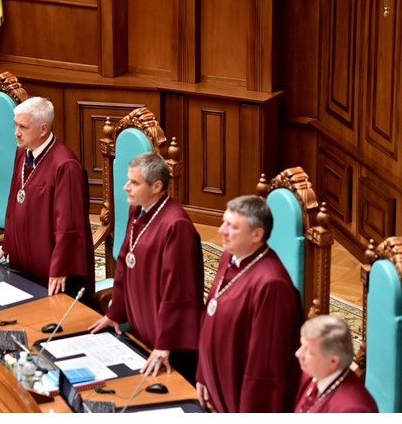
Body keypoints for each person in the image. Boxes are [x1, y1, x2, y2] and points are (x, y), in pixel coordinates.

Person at [88, 152, 204, 384]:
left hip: (170, 346)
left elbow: (178, 291)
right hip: (144, 328)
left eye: (134, 182)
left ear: (157, 186)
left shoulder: (176, 225)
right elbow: (124, 262)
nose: (125, 187)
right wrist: (114, 313)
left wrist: (166, 343)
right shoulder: (138, 209)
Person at [196, 195, 303, 412]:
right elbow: (211, 311)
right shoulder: (230, 256)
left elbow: (265, 367)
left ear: (257, 234)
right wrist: (202, 373)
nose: (221, 230)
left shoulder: (272, 285)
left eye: (232, 226)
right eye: (224, 222)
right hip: (218, 382)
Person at [0, 97, 95, 301]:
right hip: (25, 262)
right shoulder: (22, 152)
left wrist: (61, 266)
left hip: (55, 273)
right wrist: (9, 243)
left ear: (43, 129)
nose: (16, 133)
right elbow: (14, 199)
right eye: (15, 125)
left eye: (23, 127)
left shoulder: (65, 165)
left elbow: (69, 223)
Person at [294, 315, 378, 413]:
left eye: (309, 351)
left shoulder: (353, 410)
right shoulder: (311, 374)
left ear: (333, 361)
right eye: (302, 345)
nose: (298, 354)